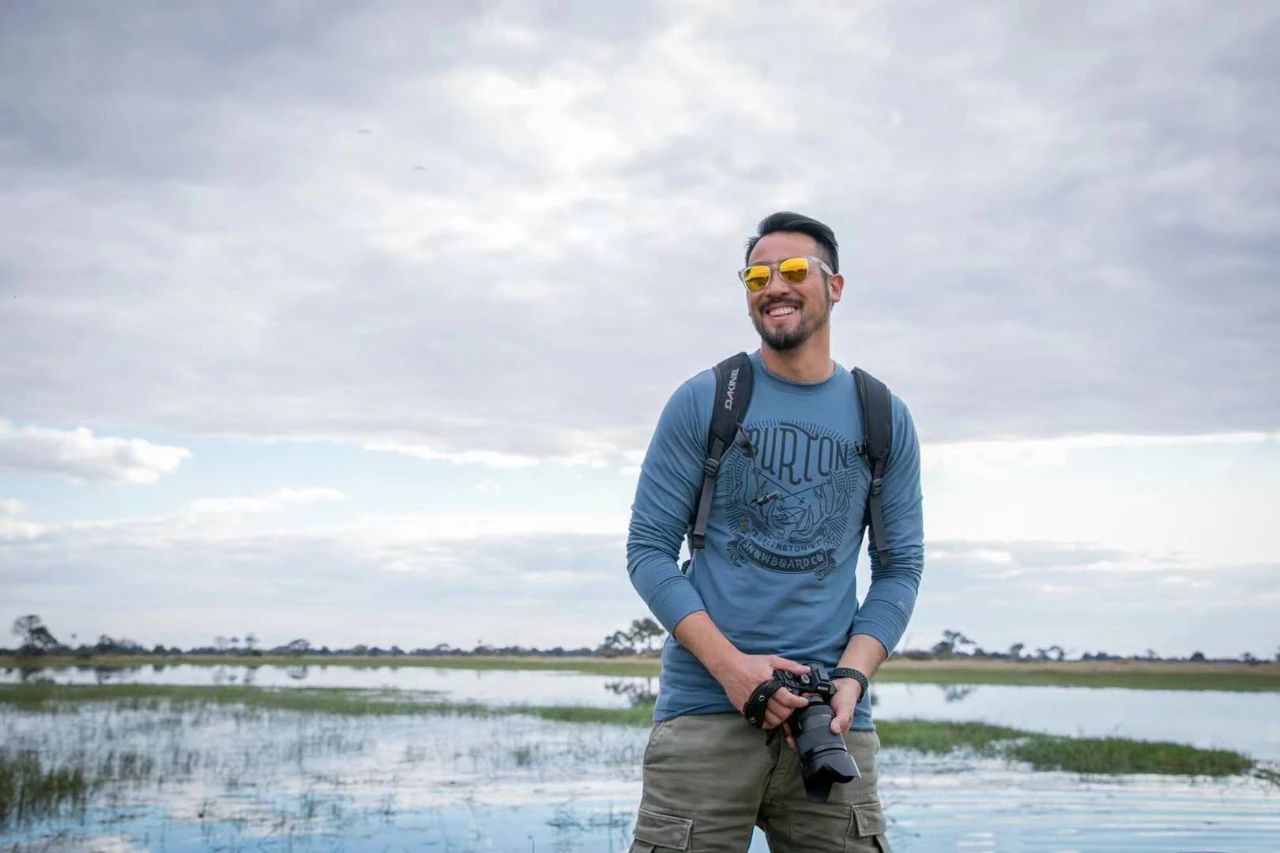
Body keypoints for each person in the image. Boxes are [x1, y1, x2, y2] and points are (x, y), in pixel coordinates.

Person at [626, 212, 924, 851]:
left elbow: (899, 569)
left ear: (834, 287)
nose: (774, 286)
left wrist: (851, 678)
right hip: (705, 716)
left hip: (831, 725)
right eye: (756, 277)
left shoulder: (882, 416)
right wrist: (733, 671)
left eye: (793, 270)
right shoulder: (705, 399)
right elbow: (648, 552)